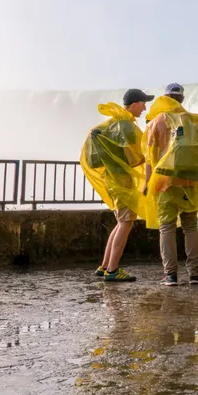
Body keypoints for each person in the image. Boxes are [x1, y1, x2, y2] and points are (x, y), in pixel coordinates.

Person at [143, 83, 198, 287]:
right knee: (190, 226)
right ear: (182, 99)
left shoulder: (157, 122)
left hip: (165, 182)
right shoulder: (196, 121)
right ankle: (195, 274)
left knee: (167, 228)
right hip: (191, 181)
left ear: (165, 98)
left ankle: (170, 274)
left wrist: (146, 182)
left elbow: (148, 156)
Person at [82, 88, 154, 283]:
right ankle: (112, 270)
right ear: (133, 104)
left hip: (112, 180)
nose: (144, 107)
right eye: (142, 103)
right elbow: (138, 156)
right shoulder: (126, 126)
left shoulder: (113, 124)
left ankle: (104, 266)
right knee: (125, 223)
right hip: (121, 181)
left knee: (120, 222)